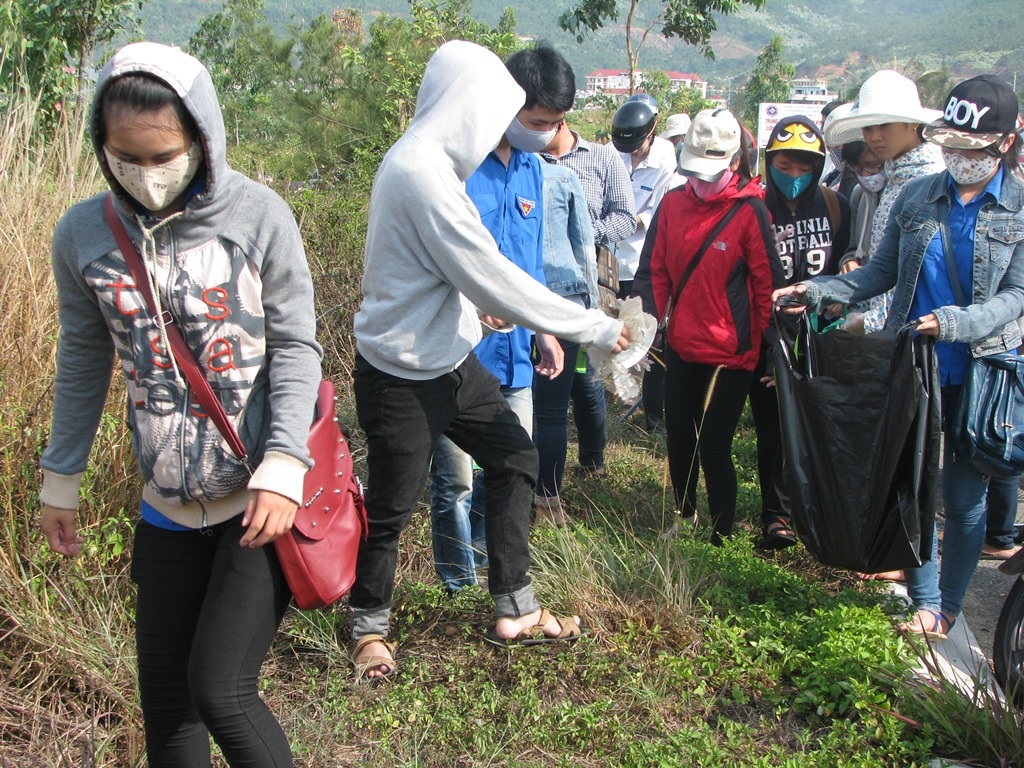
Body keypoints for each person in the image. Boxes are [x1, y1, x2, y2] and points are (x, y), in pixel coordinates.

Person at [38, 42, 321, 766]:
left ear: (201, 137)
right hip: (164, 502)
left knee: (219, 689)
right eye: (125, 157)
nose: (147, 174)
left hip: (256, 496)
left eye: (163, 155)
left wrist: (285, 460)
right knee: (166, 706)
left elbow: (295, 346)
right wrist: (60, 475)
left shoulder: (259, 217)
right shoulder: (82, 236)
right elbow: (82, 359)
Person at [350, 40, 630, 679]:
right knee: (391, 507)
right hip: (399, 371)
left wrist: (475, 314)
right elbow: (492, 273)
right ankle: (369, 627)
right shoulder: (419, 172)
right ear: (466, 107)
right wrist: (590, 325)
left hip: (451, 358)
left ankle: (514, 608)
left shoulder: (436, 168)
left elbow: (452, 278)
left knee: (516, 455)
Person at [773, 74, 1024, 638]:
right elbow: (881, 274)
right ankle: (926, 600)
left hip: (984, 367)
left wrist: (957, 322)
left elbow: (1018, 296)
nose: (960, 158)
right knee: (913, 487)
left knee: (963, 499)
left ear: (1006, 144)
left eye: (974, 149)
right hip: (918, 366)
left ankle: (950, 605)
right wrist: (816, 291)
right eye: (952, 145)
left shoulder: (1020, 208)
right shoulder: (916, 197)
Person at [427, 48, 566, 589]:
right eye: (538, 122)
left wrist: (545, 331)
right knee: (455, 481)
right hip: (459, 357)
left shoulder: (534, 171)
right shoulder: (455, 167)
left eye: (556, 124)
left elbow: (529, 267)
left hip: (515, 362)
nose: (548, 134)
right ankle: (456, 584)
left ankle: (489, 568)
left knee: (512, 466)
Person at [637, 108, 781, 544]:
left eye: (710, 172)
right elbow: (655, 270)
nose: (700, 182)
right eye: (693, 171)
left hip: (731, 353)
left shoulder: (750, 213)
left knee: (714, 445)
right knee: (680, 437)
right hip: (682, 343)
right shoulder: (673, 203)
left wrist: (769, 352)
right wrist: (646, 328)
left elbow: (766, 287)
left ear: (734, 163)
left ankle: (721, 537)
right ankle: (684, 518)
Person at [752, 114, 851, 548]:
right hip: (767, 336)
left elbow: (848, 266)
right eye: (785, 166)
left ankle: (819, 511)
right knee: (773, 428)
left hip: (819, 335)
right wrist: (775, 348)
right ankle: (776, 516)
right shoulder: (755, 208)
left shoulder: (835, 205)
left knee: (819, 425)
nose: (794, 177)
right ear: (769, 162)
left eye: (804, 168)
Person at [538, 69, 637, 480]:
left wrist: (579, 232)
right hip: (542, 288)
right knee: (556, 385)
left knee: (586, 380)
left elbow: (626, 219)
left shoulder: (601, 158)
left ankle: (592, 461)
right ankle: (552, 482)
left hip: (592, 287)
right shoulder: (528, 161)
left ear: (561, 119)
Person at [823, 70, 945, 334]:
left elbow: (919, 271)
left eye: (884, 125)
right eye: (868, 128)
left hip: (917, 332)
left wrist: (871, 321)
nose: (875, 137)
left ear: (912, 123)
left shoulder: (932, 180)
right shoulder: (892, 177)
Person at [611, 97, 677, 433]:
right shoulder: (613, 152)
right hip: (612, 262)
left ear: (651, 134)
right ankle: (616, 398)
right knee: (613, 334)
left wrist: (633, 220)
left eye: (638, 147)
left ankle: (654, 418)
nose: (633, 153)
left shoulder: (668, 160)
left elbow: (662, 212)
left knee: (650, 341)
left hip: (644, 263)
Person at [837, 140, 886, 274]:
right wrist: (848, 261)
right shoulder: (859, 195)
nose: (864, 175)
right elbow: (853, 248)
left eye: (872, 166)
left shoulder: (903, 195)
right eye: (857, 168)